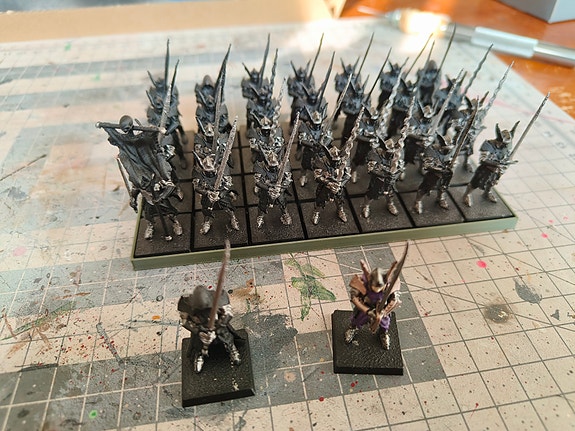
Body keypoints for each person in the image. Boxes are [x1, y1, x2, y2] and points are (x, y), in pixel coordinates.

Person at [344, 243, 408, 349]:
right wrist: (368, 311)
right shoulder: (363, 283)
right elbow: (354, 299)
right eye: (375, 287)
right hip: (365, 308)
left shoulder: (389, 286)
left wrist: (383, 312)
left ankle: (383, 334)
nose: (377, 289)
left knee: (385, 324)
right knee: (356, 320)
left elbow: (394, 301)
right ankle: (352, 329)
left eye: (380, 287)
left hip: (381, 310)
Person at [178, 285, 242, 373]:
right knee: (198, 344)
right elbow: (184, 321)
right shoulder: (186, 303)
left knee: (226, 337)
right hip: (200, 328)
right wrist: (198, 331)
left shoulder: (219, 297)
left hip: (218, 325)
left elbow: (229, 314)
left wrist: (220, 325)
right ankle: (199, 355)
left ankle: (232, 349)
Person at [462, 122, 519, 206]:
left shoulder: (506, 147)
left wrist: (505, 164)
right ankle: (467, 194)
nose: (503, 145)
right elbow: (482, 159)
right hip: (485, 168)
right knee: (475, 183)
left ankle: (487, 193)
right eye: (502, 143)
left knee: (492, 182)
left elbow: (506, 156)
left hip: (497, 170)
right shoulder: (489, 144)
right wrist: (496, 164)